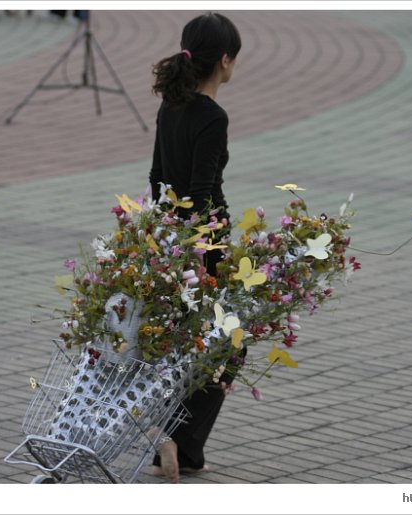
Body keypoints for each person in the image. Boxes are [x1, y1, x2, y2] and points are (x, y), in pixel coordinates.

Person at [148, 12, 241, 483]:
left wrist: (165, 240)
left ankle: (177, 440)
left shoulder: (171, 105)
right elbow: (203, 196)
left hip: (169, 235)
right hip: (207, 241)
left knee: (190, 340)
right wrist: (205, 255)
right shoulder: (213, 116)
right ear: (224, 61)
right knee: (230, 340)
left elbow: (156, 180)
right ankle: (182, 445)